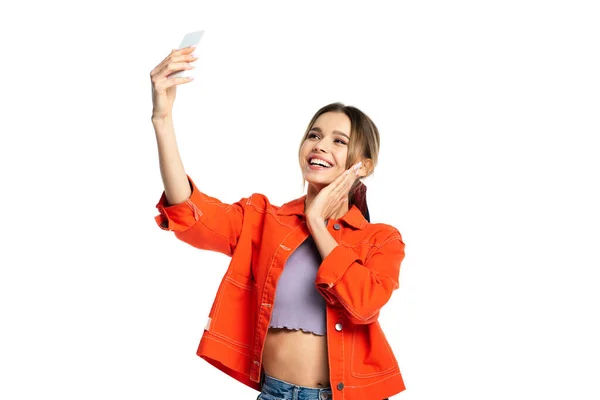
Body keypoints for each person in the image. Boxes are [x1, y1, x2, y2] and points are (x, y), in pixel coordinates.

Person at [150, 44, 406, 400]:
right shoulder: (263, 219)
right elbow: (191, 214)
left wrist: (317, 222)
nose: (320, 145)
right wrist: (162, 119)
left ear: (362, 166)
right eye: (314, 135)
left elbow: (364, 306)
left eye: (339, 141)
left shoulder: (381, 239)